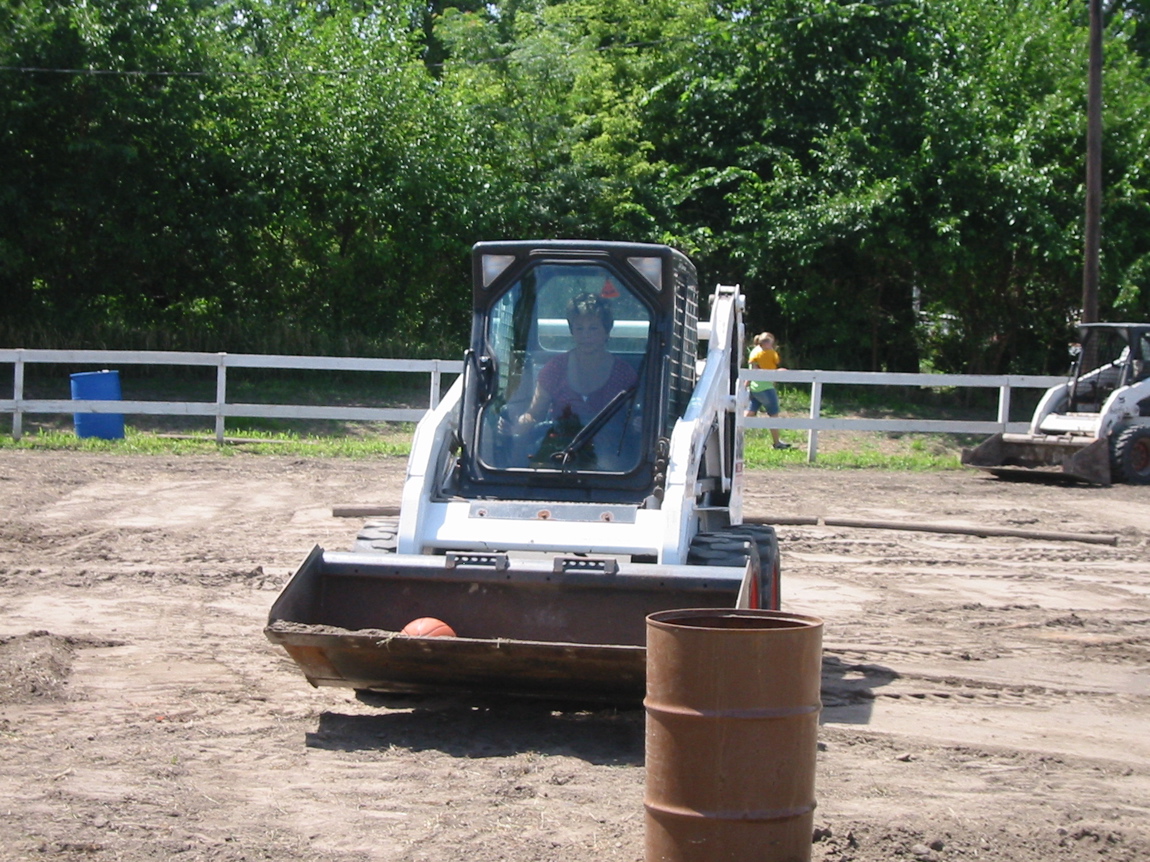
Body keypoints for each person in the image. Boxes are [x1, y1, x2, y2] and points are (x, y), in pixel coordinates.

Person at [511, 293, 638, 435]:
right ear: (572, 331)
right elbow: (534, 414)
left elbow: (633, 422)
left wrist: (638, 424)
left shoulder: (625, 374)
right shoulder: (554, 369)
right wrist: (517, 424)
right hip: (560, 450)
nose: (586, 335)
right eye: (579, 328)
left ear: (607, 331)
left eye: (593, 328)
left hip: (611, 452)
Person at [745, 331, 792, 450]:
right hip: (765, 387)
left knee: (750, 413)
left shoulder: (755, 351)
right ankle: (777, 443)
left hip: (755, 387)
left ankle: (735, 435)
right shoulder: (767, 353)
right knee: (774, 414)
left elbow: (754, 369)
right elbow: (769, 368)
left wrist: (747, 384)